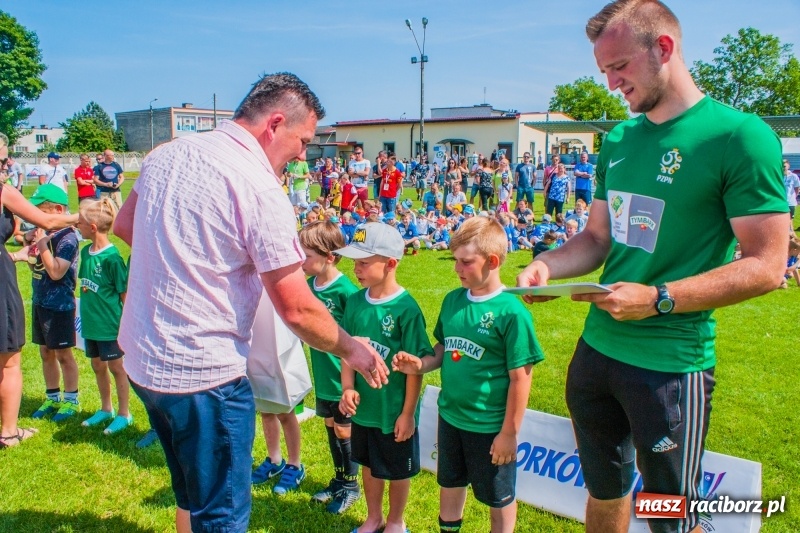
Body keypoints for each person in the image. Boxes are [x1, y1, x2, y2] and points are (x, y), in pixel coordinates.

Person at [516, 2, 789, 532]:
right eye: (604, 71)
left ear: (663, 49)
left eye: (619, 67)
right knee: (604, 487)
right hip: (596, 353)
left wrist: (658, 297)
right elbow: (597, 237)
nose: (612, 83)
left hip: (670, 365)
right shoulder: (619, 139)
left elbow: (766, 265)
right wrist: (546, 265)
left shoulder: (739, 137)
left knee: (670, 512)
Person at [113, 73, 388, 533]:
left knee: (191, 492)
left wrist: (184, 266)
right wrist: (355, 350)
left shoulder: (167, 154)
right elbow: (297, 308)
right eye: (302, 141)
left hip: (144, 359)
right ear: (274, 124)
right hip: (203, 376)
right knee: (220, 514)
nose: (304, 154)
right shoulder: (260, 188)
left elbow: (126, 225)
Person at [393, 216, 544, 533]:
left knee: (498, 496)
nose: (456, 268)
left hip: (490, 427)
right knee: (450, 483)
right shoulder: (453, 301)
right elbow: (443, 347)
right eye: (455, 260)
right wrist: (421, 364)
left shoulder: (512, 312)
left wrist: (509, 434)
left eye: (465, 262)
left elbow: (521, 379)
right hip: (451, 418)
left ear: (491, 261)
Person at [336, 222, 434, 533]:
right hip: (365, 408)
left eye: (364, 262)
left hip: (393, 411)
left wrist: (408, 413)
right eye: (354, 262)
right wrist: (348, 387)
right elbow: (348, 350)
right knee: (368, 464)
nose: (356, 269)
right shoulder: (354, 301)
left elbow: (415, 367)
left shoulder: (407, 309)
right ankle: (374, 517)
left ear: (391, 263)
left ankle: (395, 521)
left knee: (396, 470)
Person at [0, 133, 76, 449]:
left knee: (58, 353)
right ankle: (8, 432)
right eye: (4, 159)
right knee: (9, 360)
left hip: (55, 302)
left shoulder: (66, 241)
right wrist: (86, 216)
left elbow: (54, 267)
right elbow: (44, 220)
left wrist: (29, 243)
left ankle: (66, 398)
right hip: (26, 292)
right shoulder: (4, 191)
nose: (7, 165)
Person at [297, 221, 361, 513]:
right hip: (323, 376)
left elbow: (358, 337)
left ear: (331, 256)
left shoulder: (346, 291)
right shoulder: (308, 286)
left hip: (342, 378)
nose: (302, 260)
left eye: (307, 255)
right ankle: (339, 479)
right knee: (330, 426)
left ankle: (351, 485)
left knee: (345, 431)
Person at [24, 185, 82, 422]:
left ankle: (71, 400)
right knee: (45, 351)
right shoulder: (44, 235)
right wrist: (31, 250)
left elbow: (57, 272)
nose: (35, 217)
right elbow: (35, 267)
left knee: (63, 354)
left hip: (59, 306)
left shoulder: (68, 239)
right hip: (41, 302)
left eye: (40, 211)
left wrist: (41, 246)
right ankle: (52, 396)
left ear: (58, 210)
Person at [76, 198, 132, 434]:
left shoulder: (112, 258)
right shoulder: (85, 253)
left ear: (93, 227)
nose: (76, 226)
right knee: (97, 365)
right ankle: (106, 408)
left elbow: (123, 294)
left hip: (110, 324)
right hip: (91, 323)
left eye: (79, 223)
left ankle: (124, 413)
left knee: (116, 367)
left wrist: (126, 324)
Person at [783, 159, 800, 231]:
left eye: (784, 166)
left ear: (788, 166)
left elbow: (797, 188)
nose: (783, 167)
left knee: (790, 220)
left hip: (790, 202)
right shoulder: (778, 176)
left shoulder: (794, 176)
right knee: (782, 220)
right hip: (781, 202)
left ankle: (791, 235)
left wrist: (793, 197)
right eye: (782, 166)